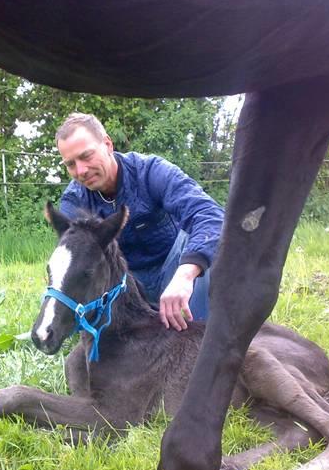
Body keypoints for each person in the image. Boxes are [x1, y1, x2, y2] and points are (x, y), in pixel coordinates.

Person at [56, 112, 224, 331]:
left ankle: (201, 337)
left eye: (86, 156)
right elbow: (73, 262)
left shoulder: (150, 171)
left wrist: (184, 275)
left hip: (173, 271)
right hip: (125, 287)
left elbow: (210, 215)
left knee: (194, 237)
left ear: (107, 144)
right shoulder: (74, 201)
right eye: (70, 164)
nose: (81, 171)